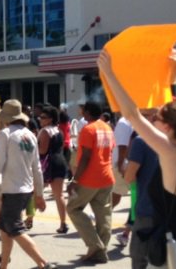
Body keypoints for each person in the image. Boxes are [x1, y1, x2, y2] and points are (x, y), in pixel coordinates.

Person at [99, 50, 176, 268]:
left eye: (157, 118)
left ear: (168, 127)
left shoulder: (171, 152)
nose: (152, 120)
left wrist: (109, 74)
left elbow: (132, 114)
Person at [0, 99, 56, 269]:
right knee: (6, 228)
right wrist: (39, 194)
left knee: (15, 228)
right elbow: (37, 168)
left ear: (6, 118)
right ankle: (4, 265)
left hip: (12, 189)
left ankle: (43, 263)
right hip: (25, 189)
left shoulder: (6, 134)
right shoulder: (30, 135)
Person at [66, 100, 116, 264]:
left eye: (83, 111)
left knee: (73, 208)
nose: (81, 113)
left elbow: (86, 157)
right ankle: (100, 252)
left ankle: (95, 246)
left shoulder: (88, 129)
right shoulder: (107, 128)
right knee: (104, 215)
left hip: (90, 178)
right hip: (107, 177)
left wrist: (75, 179)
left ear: (87, 113)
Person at [125, 131, 160, 269]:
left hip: (146, 209)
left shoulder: (142, 141)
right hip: (171, 212)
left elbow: (129, 175)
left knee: (139, 258)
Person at [37, 105, 69, 234]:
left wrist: (33, 148)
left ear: (50, 119)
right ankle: (63, 222)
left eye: (43, 117)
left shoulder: (45, 131)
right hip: (60, 161)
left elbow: (43, 150)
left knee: (36, 192)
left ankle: (29, 218)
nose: (40, 119)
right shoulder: (58, 130)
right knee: (59, 195)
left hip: (47, 164)